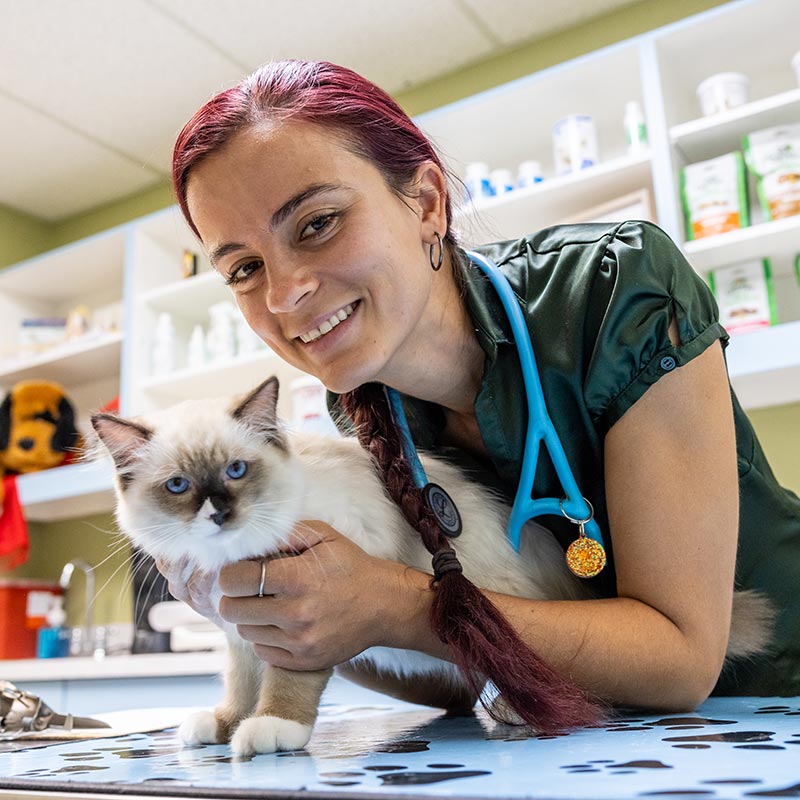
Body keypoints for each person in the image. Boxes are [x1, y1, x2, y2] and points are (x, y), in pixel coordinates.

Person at [162, 59, 800, 716]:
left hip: (773, 704)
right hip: (603, 740)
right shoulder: (367, 412)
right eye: (244, 268)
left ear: (428, 204)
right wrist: (291, 612)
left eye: (317, 223)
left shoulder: (616, 288)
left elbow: (680, 662)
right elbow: (458, 678)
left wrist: (400, 602)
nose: (284, 293)